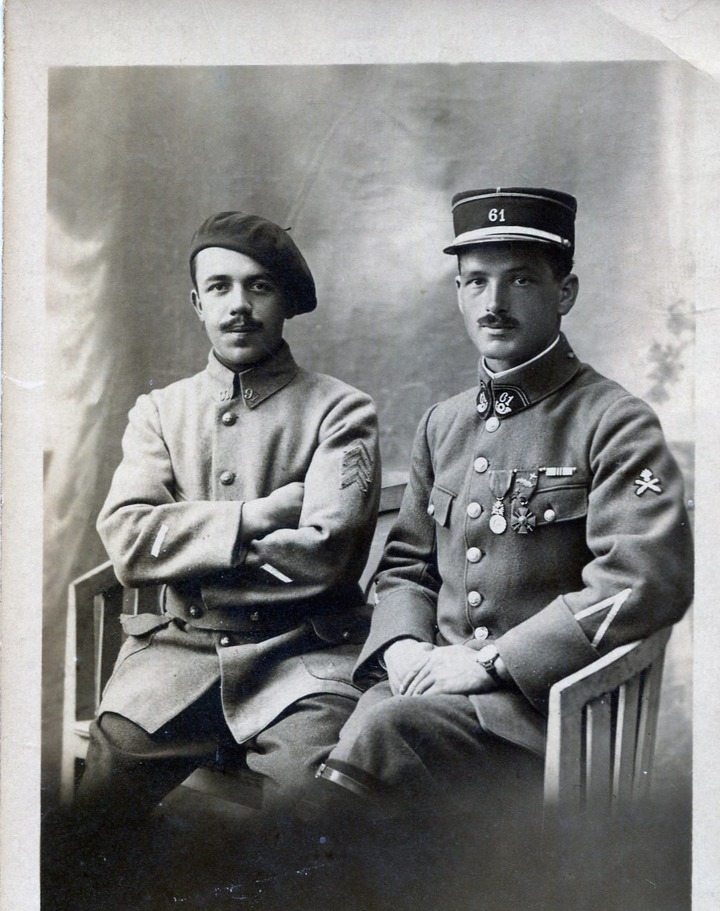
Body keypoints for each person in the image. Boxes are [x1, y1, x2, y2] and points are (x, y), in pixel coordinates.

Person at [314, 186, 694, 823]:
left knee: (377, 745)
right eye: (474, 282)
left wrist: (491, 661)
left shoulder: (615, 422)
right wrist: (404, 646)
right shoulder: (445, 423)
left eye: (519, 280)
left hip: (546, 718)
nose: (493, 304)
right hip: (427, 696)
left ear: (563, 293)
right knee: (327, 738)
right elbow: (406, 567)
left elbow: (644, 580)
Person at [57, 210, 381, 857]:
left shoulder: (341, 410)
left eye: (259, 287)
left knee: (307, 823)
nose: (239, 306)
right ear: (197, 301)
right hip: (181, 656)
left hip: (304, 661)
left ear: (284, 300)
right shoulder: (160, 413)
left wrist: (181, 545)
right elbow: (125, 538)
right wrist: (258, 516)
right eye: (222, 287)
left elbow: (324, 555)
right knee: (89, 824)